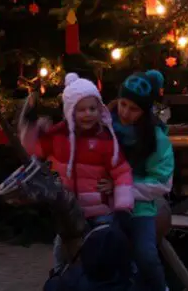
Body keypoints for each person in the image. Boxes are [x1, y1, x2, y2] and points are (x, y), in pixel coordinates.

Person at [20, 72, 134, 271]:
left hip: (100, 212)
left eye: (92, 108)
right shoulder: (58, 136)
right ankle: (61, 280)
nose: (88, 114)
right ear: (70, 111)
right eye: (81, 110)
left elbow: (122, 171)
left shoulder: (105, 139)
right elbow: (32, 150)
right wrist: (31, 127)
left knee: (103, 254)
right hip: (69, 212)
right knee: (62, 254)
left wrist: (123, 205)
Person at [106, 70, 174, 291]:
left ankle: (160, 287)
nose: (125, 112)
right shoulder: (104, 127)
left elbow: (162, 182)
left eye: (133, 109)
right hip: (103, 204)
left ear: (144, 111)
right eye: (123, 104)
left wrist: (122, 189)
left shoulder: (155, 139)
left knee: (145, 255)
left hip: (140, 207)